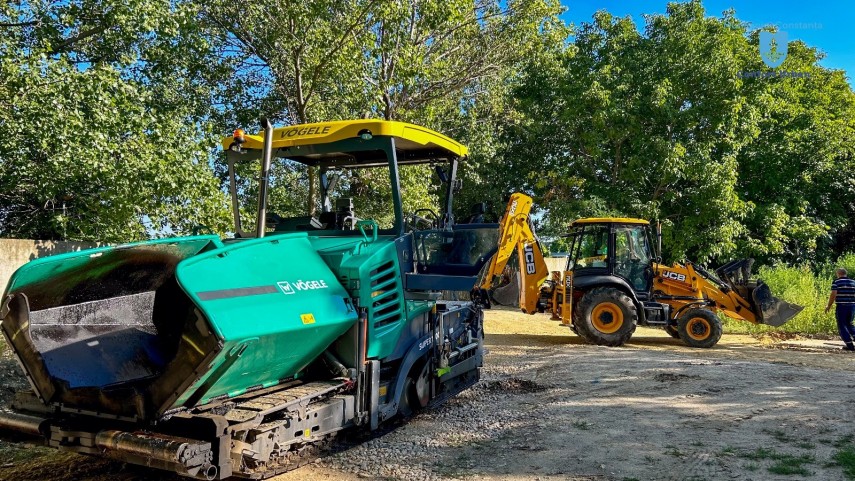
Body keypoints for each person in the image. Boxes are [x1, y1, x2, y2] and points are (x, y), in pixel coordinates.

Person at [825, 267, 855, 351]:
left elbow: (833, 294)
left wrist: (829, 305)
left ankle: (850, 346)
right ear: (845, 274)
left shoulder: (837, 282)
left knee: (841, 325)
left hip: (842, 306)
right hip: (852, 306)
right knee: (850, 324)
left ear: (838, 274)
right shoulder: (853, 282)